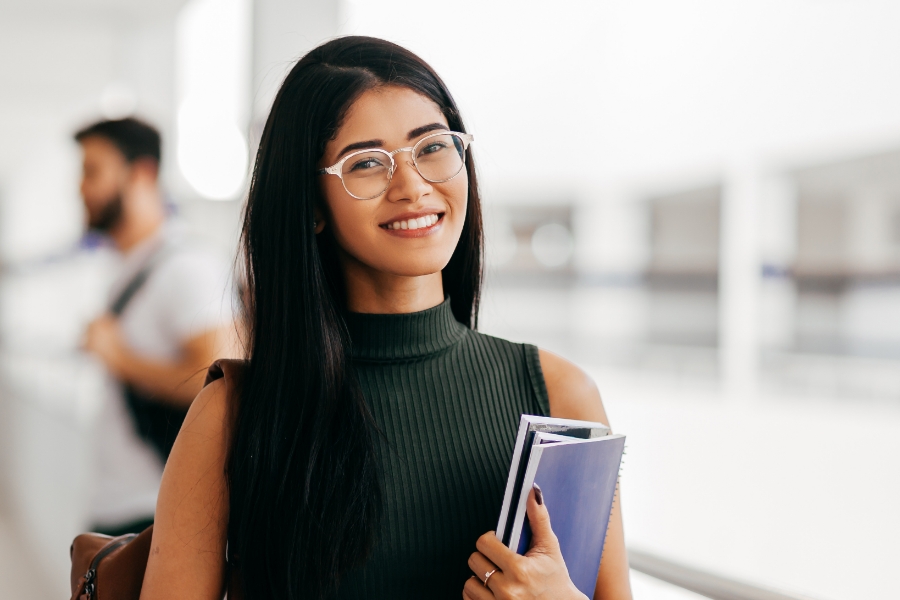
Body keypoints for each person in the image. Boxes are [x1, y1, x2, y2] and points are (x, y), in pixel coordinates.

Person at [142, 37, 633, 600]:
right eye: (367, 163)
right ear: (312, 206)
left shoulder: (561, 395)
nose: (412, 186)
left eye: (432, 147)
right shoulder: (233, 414)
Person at [76, 118, 235, 531]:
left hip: (158, 514)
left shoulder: (187, 268)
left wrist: (119, 358)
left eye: (92, 171)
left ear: (142, 173)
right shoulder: (129, 269)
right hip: (121, 507)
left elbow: (221, 384)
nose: (80, 188)